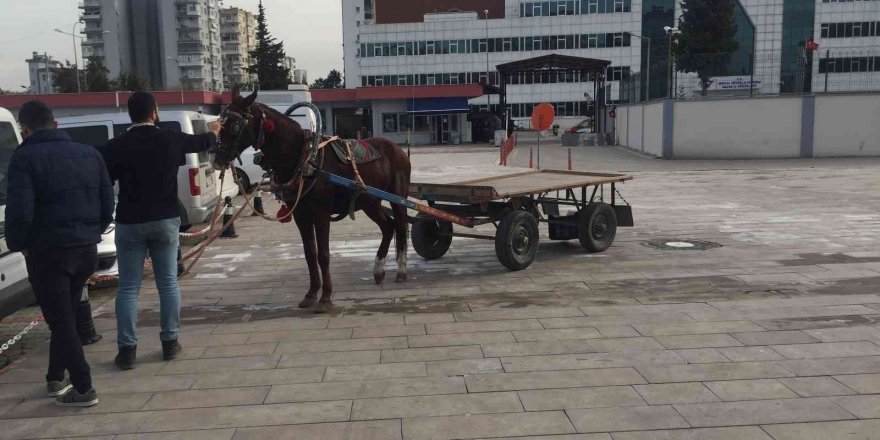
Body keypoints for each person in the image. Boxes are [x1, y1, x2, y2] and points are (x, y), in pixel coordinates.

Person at [5, 100, 114, 407]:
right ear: (56, 124)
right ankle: (55, 377)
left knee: (61, 321)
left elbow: (20, 211)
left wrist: (19, 244)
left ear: (24, 130)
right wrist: (90, 232)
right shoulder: (89, 154)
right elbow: (107, 203)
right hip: (85, 251)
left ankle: (83, 388)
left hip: (48, 253)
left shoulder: (23, 158)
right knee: (63, 314)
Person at [100, 92, 220, 370]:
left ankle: (127, 350)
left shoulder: (116, 146)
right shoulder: (170, 138)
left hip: (130, 221)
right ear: (154, 113)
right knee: (167, 283)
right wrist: (213, 131)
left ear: (130, 115)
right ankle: (169, 343)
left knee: (129, 288)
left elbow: (105, 174)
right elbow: (202, 142)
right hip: (165, 219)